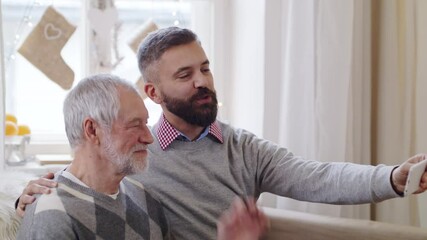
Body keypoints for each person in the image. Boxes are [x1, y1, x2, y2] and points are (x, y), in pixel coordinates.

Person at [17, 27, 427, 239]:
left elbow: (317, 177)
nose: (203, 82)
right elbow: (86, 178)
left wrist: (390, 177)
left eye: (205, 68)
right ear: (153, 92)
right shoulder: (134, 156)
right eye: (185, 75)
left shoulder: (244, 149)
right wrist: (30, 193)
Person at [15, 73, 269, 240]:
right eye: (135, 124)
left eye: (147, 124)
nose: (149, 137)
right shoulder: (51, 218)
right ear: (92, 130)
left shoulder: (144, 198)